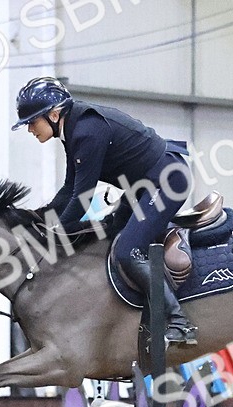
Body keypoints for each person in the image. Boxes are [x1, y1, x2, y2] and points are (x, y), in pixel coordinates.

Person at [13, 76, 197, 345]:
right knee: (110, 231)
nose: (30, 129)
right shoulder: (72, 128)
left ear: (53, 114)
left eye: (32, 121)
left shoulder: (86, 131)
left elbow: (83, 197)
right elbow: (69, 188)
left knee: (127, 252)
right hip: (143, 184)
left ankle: (179, 321)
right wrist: (39, 219)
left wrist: (54, 235)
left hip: (168, 179)